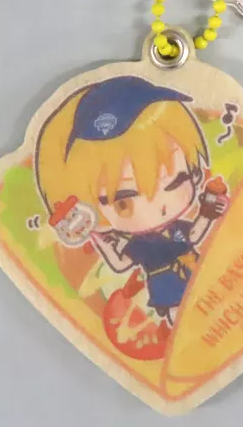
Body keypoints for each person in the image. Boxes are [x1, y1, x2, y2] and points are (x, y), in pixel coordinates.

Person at [35, 76, 228, 325]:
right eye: (123, 203)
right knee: (181, 322)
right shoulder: (140, 244)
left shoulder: (176, 230)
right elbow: (119, 263)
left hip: (198, 276)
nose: (161, 205)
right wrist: (96, 237)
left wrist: (208, 212)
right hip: (168, 289)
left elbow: (193, 236)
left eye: (176, 182)